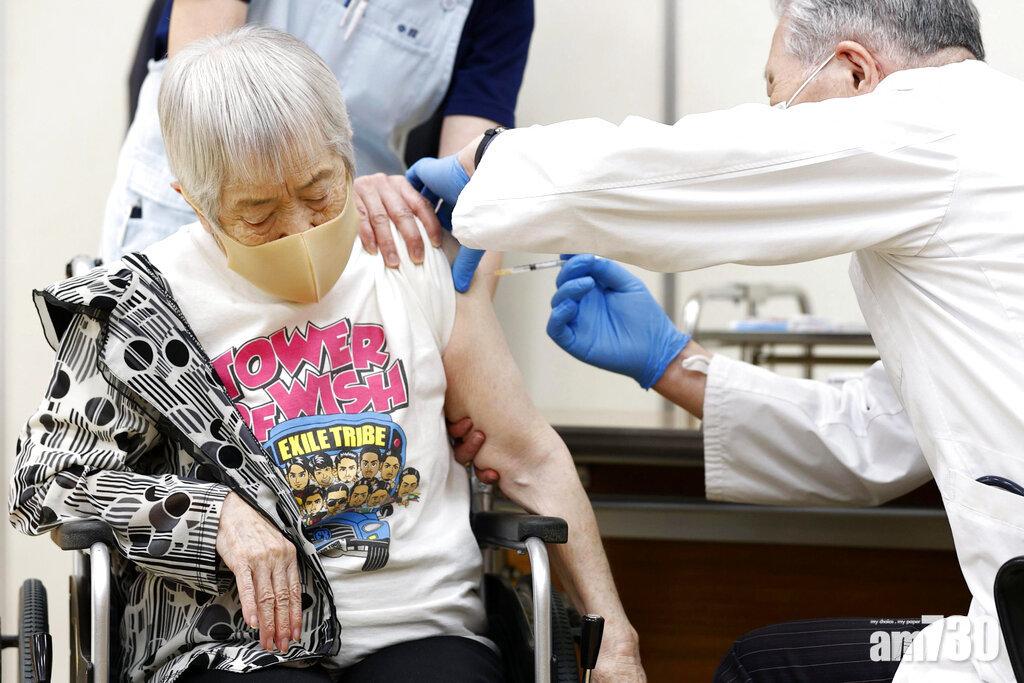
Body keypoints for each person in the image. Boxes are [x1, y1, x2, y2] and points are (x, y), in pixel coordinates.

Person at [9, 28, 642, 682]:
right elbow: (44, 481)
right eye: (258, 214)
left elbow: (529, 456)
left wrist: (616, 643)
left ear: (348, 155)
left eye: (319, 193)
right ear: (192, 201)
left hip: (422, 628)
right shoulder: (137, 307)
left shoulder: (405, 255)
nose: (300, 231)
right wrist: (212, 517)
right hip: (234, 644)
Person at [418, 1, 1024, 681]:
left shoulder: (936, 126)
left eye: (781, 103)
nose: (778, 128)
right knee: (765, 665)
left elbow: (692, 169)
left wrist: (490, 166)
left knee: (763, 671)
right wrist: (671, 361)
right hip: (1008, 614)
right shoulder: (990, 145)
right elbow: (876, 434)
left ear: (856, 73)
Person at [100, 0, 534, 269]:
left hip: (346, 216)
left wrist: (464, 306)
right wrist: (313, 195)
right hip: (206, 193)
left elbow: (477, 191)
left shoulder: (499, 9)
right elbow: (204, 95)